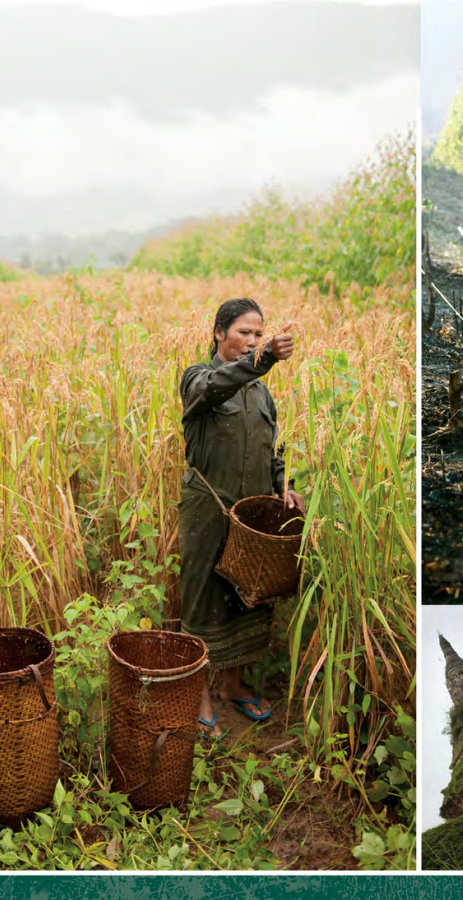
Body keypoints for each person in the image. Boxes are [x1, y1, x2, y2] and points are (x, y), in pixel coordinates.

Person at [178, 299, 304, 736]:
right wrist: (263, 359)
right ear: (218, 333)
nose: (252, 340)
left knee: (249, 597)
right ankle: (202, 696)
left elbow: (274, 450)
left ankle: (234, 686)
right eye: (243, 333)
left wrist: (285, 486)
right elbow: (216, 387)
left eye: (259, 334)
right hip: (208, 507)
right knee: (202, 596)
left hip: (252, 513)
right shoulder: (198, 378)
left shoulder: (261, 392)